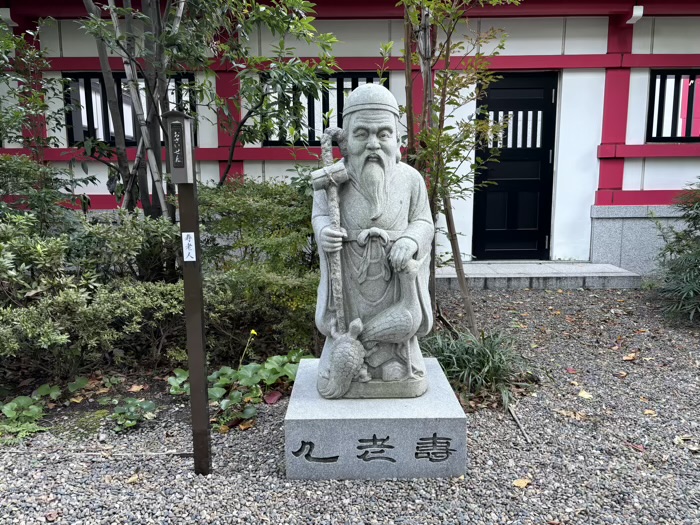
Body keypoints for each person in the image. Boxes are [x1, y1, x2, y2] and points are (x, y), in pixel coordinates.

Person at [312, 83, 434, 398]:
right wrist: (325, 232)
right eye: (362, 134)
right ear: (346, 141)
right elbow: (321, 216)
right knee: (347, 322)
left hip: (394, 274)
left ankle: (391, 360)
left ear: (397, 141)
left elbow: (423, 221)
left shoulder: (410, 179)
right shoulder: (331, 181)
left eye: (383, 134)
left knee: (403, 317)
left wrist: (410, 240)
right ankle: (345, 359)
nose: (373, 144)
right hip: (350, 272)